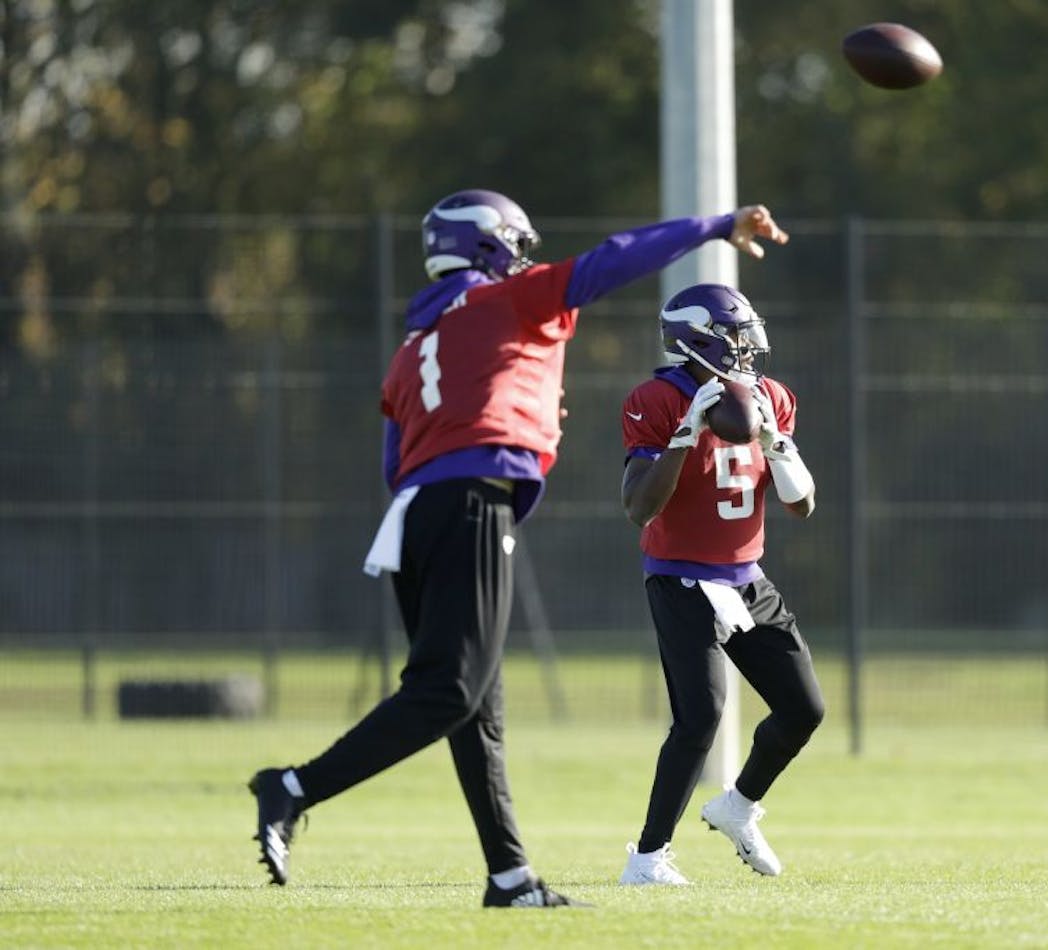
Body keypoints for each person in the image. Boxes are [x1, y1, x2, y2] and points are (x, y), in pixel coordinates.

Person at [249, 191, 789, 907]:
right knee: (447, 693)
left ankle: (509, 878)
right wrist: (717, 227)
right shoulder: (504, 305)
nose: (523, 261)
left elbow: (394, 454)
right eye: (515, 247)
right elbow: (613, 259)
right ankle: (293, 787)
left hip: (414, 515)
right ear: (489, 248)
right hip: (471, 502)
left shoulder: (417, 341)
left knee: (480, 710)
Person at [617, 283, 825, 886]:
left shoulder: (772, 397)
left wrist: (776, 445)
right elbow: (639, 508)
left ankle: (737, 808)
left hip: (747, 577)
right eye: (732, 334)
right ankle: (648, 858)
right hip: (681, 580)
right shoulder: (654, 399)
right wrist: (683, 437)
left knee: (803, 708)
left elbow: (801, 505)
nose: (745, 347)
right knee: (700, 717)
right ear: (695, 337)